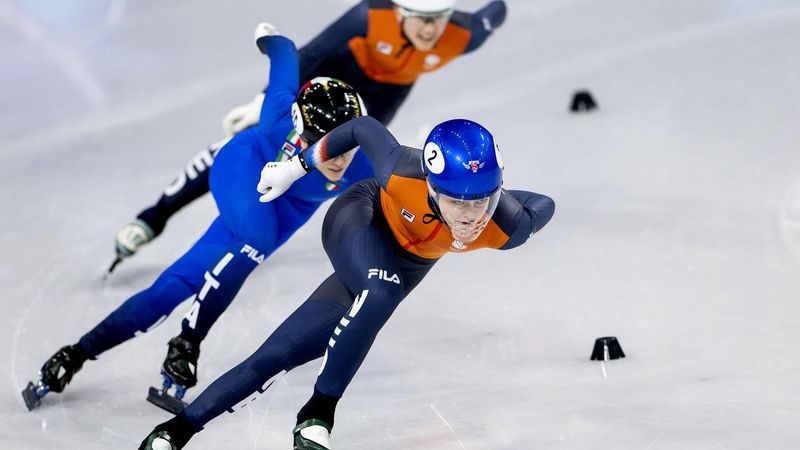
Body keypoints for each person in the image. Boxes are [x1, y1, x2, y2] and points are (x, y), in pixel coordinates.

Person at [138, 116, 555, 449]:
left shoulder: (504, 226)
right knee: (382, 289)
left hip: (401, 268)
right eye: (457, 201)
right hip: (361, 218)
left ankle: (176, 431)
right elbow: (362, 128)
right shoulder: (400, 170)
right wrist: (297, 166)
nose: (471, 215)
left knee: (280, 353)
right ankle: (319, 413)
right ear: (430, 186)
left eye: (483, 198)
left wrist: (512, 210)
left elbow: (544, 205)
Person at [21, 25, 373, 412]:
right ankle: (188, 342)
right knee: (256, 237)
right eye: (324, 146)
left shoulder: (365, 163)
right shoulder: (276, 122)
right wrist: (269, 38)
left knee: (169, 291)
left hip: (284, 211)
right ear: (302, 132)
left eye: (345, 146)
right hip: (245, 169)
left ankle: (74, 354)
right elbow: (286, 56)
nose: (338, 159)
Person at [112, 0, 508, 272]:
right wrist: (261, 102)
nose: (430, 29)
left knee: (344, 166)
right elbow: (311, 54)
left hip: (382, 97)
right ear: (396, 10)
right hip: (333, 75)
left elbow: (497, 10)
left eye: (439, 18)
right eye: (419, 18)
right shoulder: (367, 18)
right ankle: (154, 217)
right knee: (254, 141)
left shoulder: (465, 32)